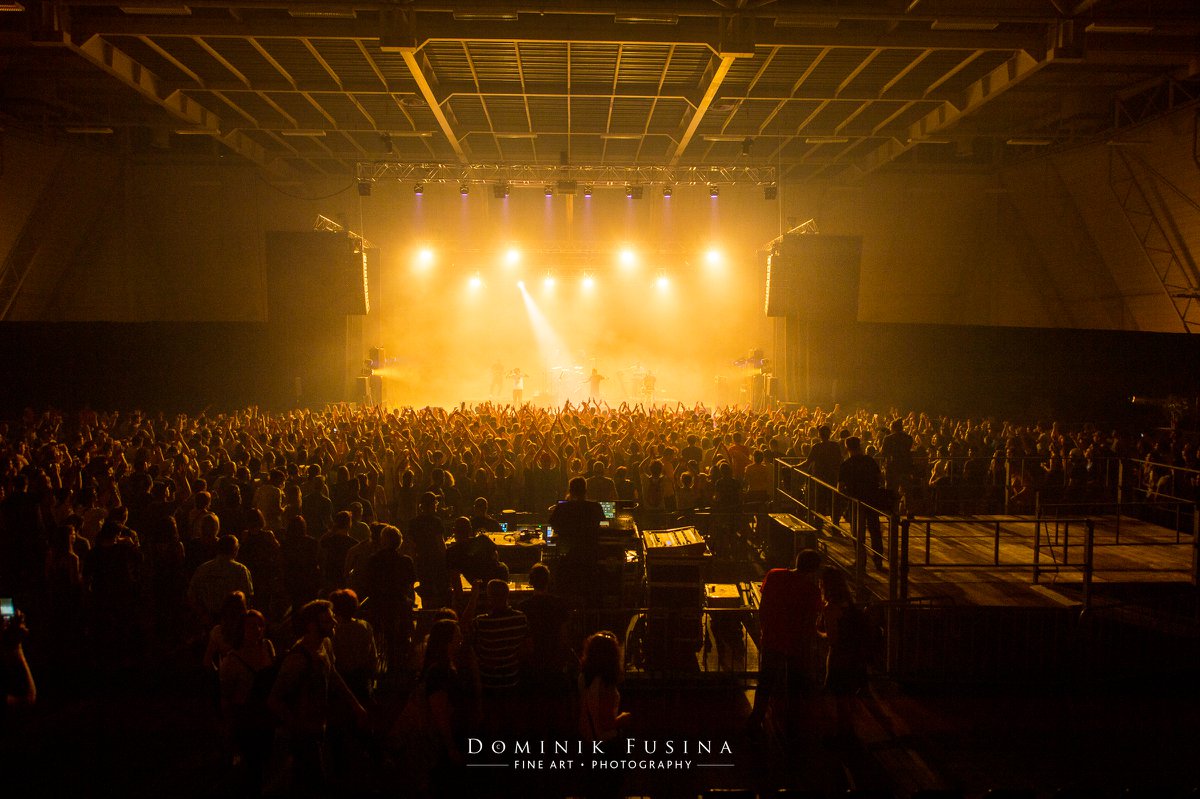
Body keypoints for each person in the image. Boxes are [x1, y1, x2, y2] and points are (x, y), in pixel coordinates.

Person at [268, 600, 367, 797]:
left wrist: (355, 705)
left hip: (320, 727)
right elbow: (273, 699)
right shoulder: (297, 659)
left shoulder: (325, 645)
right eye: (328, 621)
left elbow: (332, 674)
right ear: (312, 625)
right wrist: (296, 726)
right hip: (304, 733)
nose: (335, 624)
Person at [746, 548, 823, 737]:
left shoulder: (774, 575)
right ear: (814, 569)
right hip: (796, 644)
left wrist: (764, 627)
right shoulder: (811, 591)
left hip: (772, 637)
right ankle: (792, 726)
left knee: (766, 682)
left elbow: (764, 606)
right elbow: (810, 620)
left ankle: (757, 719)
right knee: (794, 685)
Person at [219, 608, 276, 797]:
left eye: (260, 625)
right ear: (241, 629)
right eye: (252, 626)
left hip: (267, 714)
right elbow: (226, 697)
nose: (257, 630)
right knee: (253, 766)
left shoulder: (267, 647)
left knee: (267, 761)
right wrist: (229, 728)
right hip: (247, 718)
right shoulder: (232, 660)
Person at [817, 567, 873, 742]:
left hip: (839, 657)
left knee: (839, 698)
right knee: (848, 697)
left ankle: (842, 735)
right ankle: (850, 732)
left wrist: (818, 632)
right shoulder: (848, 603)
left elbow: (833, 638)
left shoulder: (830, 607)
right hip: (854, 655)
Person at [547, 477, 605, 605]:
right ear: (585, 491)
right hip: (589, 559)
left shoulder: (562, 508)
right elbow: (604, 525)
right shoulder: (595, 507)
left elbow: (552, 524)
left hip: (567, 559)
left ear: (570, 491)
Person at [471, 579, 529, 693]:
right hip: (512, 679)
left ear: (489, 598)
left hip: (487, 680)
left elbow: (462, 626)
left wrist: (473, 597)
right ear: (507, 595)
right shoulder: (520, 618)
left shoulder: (481, 622)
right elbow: (526, 649)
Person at [838, 436, 886, 571]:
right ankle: (878, 560)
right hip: (871, 499)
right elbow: (881, 479)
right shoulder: (870, 461)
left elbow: (840, 487)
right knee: (875, 530)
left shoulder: (846, 465)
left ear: (847, 448)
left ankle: (861, 561)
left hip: (856, 501)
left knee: (857, 533)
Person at [188, 534, 254, 626]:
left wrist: (203, 615)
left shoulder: (203, 569)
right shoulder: (241, 570)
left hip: (207, 618)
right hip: (232, 620)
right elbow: (247, 596)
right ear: (235, 549)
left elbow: (192, 595)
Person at [578, 631, 630, 747]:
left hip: (587, 739)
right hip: (605, 742)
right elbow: (606, 724)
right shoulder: (605, 683)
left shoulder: (584, 677)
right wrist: (624, 718)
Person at [408, 492, 450, 610]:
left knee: (425, 591)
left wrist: (414, 560)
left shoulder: (414, 522)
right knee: (439, 591)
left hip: (422, 560)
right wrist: (447, 558)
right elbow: (440, 543)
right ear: (432, 504)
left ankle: (426, 614)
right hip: (436, 560)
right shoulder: (436, 521)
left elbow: (411, 545)